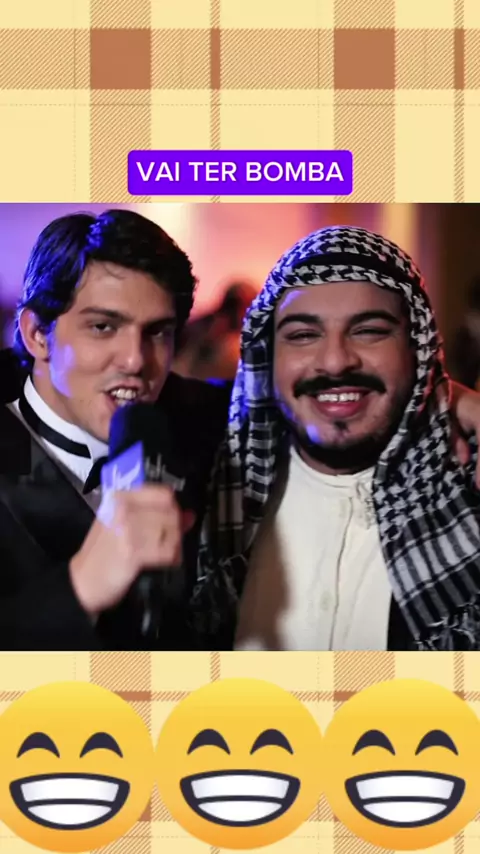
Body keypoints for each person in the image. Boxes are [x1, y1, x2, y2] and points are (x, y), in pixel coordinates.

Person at [192, 225, 480, 652]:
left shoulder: (468, 489)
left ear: (417, 349)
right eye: (303, 335)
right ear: (268, 355)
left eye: (369, 331)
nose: (335, 361)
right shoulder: (200, 478)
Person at [0, 209, 230, 650]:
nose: (135, 360)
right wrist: (79, 588)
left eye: (157, 332)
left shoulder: (211, 421)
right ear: (37, 334)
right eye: (103, 327)